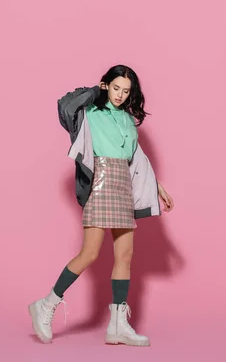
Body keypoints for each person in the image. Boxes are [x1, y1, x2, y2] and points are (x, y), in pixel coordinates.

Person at [28, 65, 174, 347]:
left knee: (125, 254)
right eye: (115, 88)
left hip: (123, 187)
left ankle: (118, 325)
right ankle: (46, 305)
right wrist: (97, 90)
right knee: (90, 252)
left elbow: (137, 158)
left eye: (125, 90)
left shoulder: (129, 121)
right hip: (100, 182)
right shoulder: (90, 112)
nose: (120, 95)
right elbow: (65, 104)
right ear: (107, 85)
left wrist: (158, 187)